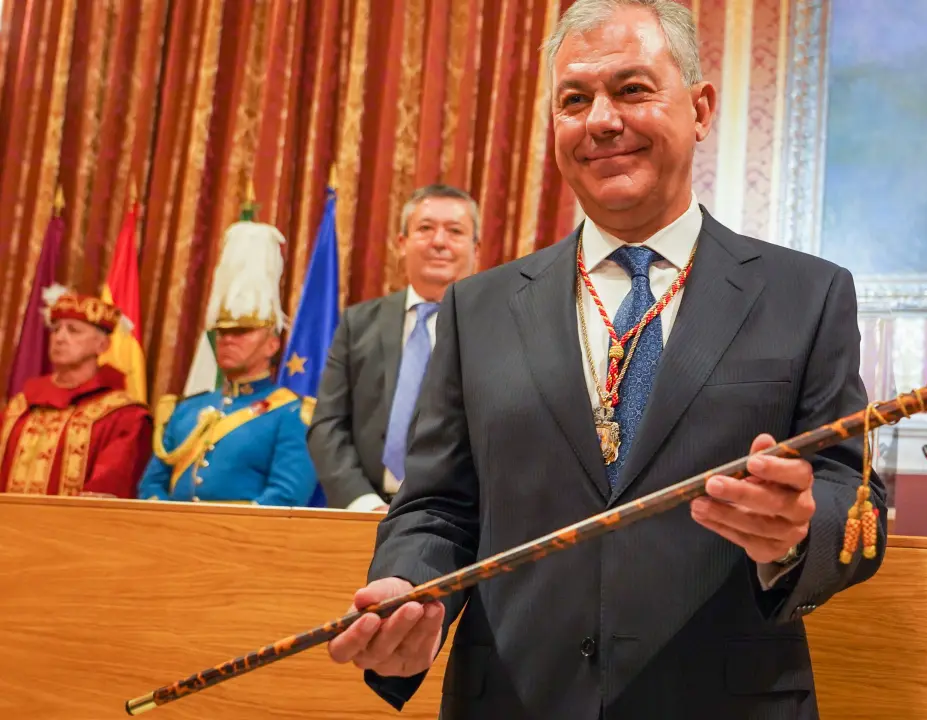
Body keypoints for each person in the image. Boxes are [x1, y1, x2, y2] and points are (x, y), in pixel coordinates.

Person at [326, 1, 887, 717]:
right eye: (573, 99)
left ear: (700, 108)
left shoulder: (806, 294)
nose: (600, 120)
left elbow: (855, 497)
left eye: (632, 89)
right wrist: (410, 587)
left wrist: (800, 531)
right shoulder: (478, 308)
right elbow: (437, 505)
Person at [308, 184, 480, 512]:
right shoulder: (358, 323)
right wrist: (364, 504)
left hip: (456, 520)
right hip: (361, 513)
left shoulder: (498, 326)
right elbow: (327, 425)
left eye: (455, 231)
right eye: (425, 228)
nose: (439, 241)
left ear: (476, 248)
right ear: (402, 243)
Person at [137, 219, 318, 506]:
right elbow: (151, 486)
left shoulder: (291, 413)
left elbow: (286, 496)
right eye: (222, 333)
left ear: (272, 345)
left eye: (242, 332)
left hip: (245, 534)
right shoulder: (184, 410)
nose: (228, 340)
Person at [0, 288, 152, 498]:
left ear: (102, 345)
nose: (59, 338)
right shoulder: (19, 408)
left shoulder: (122, 416)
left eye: (73, 330)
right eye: (55, 329)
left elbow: (109, 488)